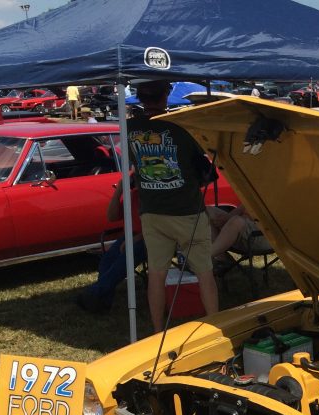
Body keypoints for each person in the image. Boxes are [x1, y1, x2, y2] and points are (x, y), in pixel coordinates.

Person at [127, 80, 218, 331]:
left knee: (156, 274)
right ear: (166, 94)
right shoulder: (180, 126)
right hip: (187, 210)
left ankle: (158, 329)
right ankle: (213, 326)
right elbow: (205, 153)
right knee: (205, 272)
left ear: (140, 97)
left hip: (152, 211)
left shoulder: (129, 128)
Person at [76, 176, 147, 312]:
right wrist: (119, 190)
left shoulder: (154, 198)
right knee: (106, 261)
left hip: (150, 237)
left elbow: (158, 225)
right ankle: (102, 302)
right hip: (131, 236)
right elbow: (111, 216)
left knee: (122, 263)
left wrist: (137, 238)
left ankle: (93, 293)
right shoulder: (133, 196)